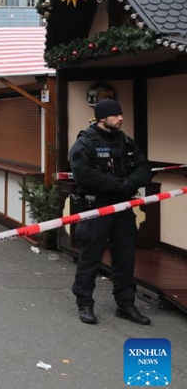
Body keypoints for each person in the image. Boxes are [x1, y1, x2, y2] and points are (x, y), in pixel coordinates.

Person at [69, 98, 152, 325]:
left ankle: (126, 305)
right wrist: (119, 186)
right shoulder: (85, 143)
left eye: (121, 114)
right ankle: (84, 303)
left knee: (125, 257)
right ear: (102, 117)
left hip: (123, 207)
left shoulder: (125, 141)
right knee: (91, 257)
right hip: (96, 207)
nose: (121, 118)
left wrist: (129, 184)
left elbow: (144, 167)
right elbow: (84, 174)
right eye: (116, 115)